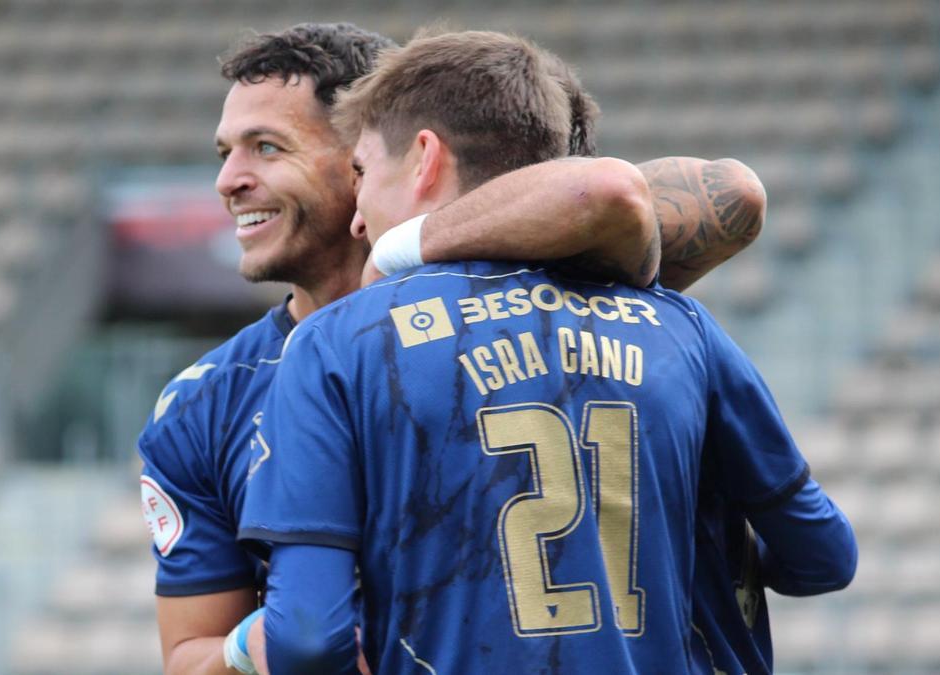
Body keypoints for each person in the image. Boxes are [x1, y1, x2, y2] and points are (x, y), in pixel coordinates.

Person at [138, 22, 773, 675]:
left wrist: (405, 248)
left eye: (267, 148)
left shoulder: (541, 297)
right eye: (225, 153)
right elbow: (188, 655)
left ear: (377, 150)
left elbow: (728, 194)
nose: (229, 180)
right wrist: (253, 646)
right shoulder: (204, 403)